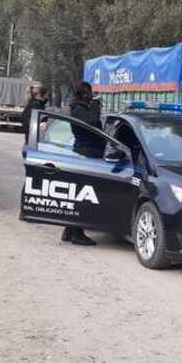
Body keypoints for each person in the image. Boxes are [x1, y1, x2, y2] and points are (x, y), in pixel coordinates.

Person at [61, 81, 102, 246]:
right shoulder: (79, 109)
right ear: (84, 94)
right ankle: (78, 233)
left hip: (87, 153)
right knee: (83, 196)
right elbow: (91, 124)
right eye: (90, 93)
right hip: (85, 154)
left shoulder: (80, 107)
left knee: (80, 194)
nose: (92, 96)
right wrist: (95, 107)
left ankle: (69, 231)